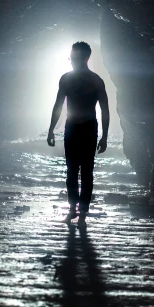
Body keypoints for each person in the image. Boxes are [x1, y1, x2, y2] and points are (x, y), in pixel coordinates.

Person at [47, 41, 109, 225]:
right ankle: (72, 209)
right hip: (71, 127)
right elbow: (58, 105)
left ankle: (82, 213)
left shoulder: (96, 81)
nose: (72, 60)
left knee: (87, 171)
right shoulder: (65, 79)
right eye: (71, 57)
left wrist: (105, 136)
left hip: (89, 127)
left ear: (86, 58)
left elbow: (105, 110)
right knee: (71, 171)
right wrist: (51, 129)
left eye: (75, 57)